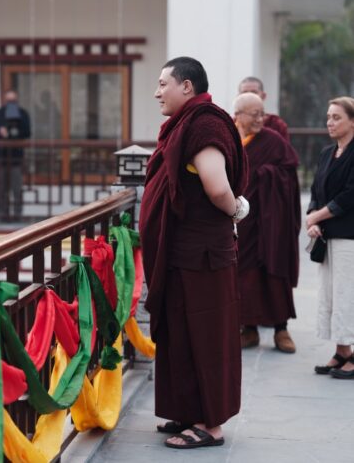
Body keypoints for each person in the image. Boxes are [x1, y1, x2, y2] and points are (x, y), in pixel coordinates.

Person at [140, 57, 248, 449]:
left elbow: (217, 187)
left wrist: (238, 210)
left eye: (163, 83)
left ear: (187, 87)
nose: (157, 92)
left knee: (205, 335)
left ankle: (210, 424)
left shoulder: (205, 124)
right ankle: (188, 410)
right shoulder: (185, 124)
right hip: (183, 254)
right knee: (182, 332)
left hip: (202, 256)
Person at [233, 93, 301, 353]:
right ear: (238, 115)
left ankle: (281, 329)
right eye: (255, 114)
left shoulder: (273, 141)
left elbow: (288, 174)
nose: (261, 119)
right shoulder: (231, 140)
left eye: (262, 114)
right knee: (245, 274)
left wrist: (264, 177)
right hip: (244, 220)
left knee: (274, 270)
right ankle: (248, 329)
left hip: (272, 220)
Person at [306, 96, 354, 379]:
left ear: (352, 121)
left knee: (348, 294)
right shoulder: (327, 153)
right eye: (328, 117)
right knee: (332, 295)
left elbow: (350, 195)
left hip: (350, 234)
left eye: (336, 117)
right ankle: (342, 351)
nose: (330, 122)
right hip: (328, 235)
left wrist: (318, 216)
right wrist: (313, 217)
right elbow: (316, 190)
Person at [0, 89, 31, 220]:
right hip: (1, 158)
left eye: (13, 101)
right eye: (8, 100)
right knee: (1, 189)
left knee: (17, 189)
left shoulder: (22, 114)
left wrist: (16, 131)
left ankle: (17, 215)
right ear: (4, 101)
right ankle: (2, 214)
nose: (11, 103)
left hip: (17, 158)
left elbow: (27, 132)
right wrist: (0, 131)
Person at [238, 76, 290, 141]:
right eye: (245, 93)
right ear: (238, 96)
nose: (249, 96)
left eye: (254, 92)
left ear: (263, 96)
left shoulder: (276, 125)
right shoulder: (230, 124)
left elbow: (283, 149)